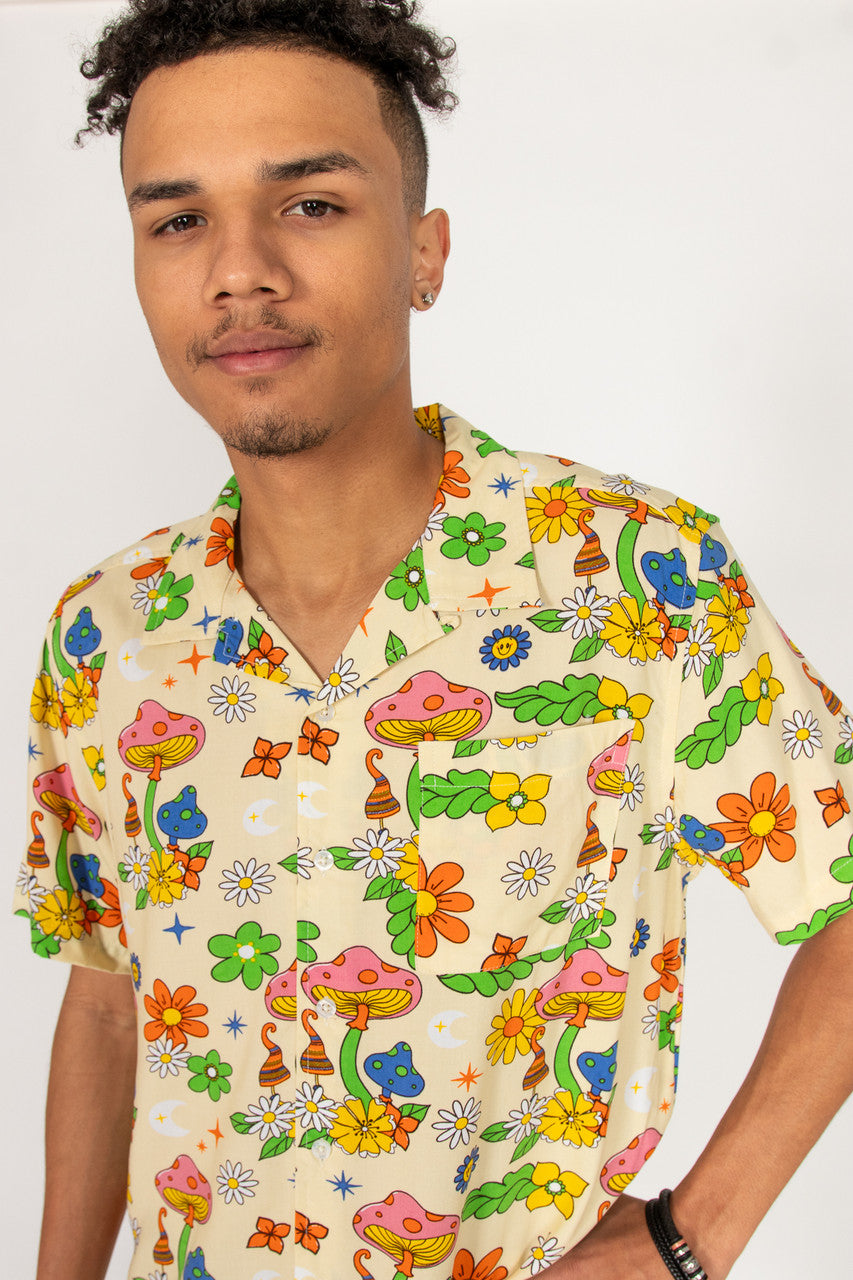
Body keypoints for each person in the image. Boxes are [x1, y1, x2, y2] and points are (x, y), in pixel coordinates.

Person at [12, 2, 853, 1279]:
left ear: (424, 251)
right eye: (178, 220)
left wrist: (693, 1235)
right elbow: (108, 998)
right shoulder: (106, 635)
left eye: (309, 203)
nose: (239, 270)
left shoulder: (632, 578)